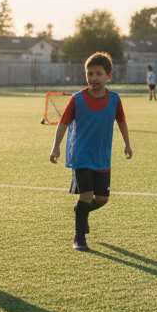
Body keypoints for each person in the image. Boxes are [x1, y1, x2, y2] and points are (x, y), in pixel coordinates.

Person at [49, 52, 132, 251]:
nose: (93, 78)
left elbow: (121, 121)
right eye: (90, 74)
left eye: (98, 74)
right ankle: (79, 239)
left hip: (102, 157)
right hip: (81, 156)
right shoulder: (77, 99)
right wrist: (56, 147)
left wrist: (127, 144)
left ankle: (81, 212)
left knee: (102, 199)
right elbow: (63, 124)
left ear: (108, 76)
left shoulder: (114, 99)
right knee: (86, 195)